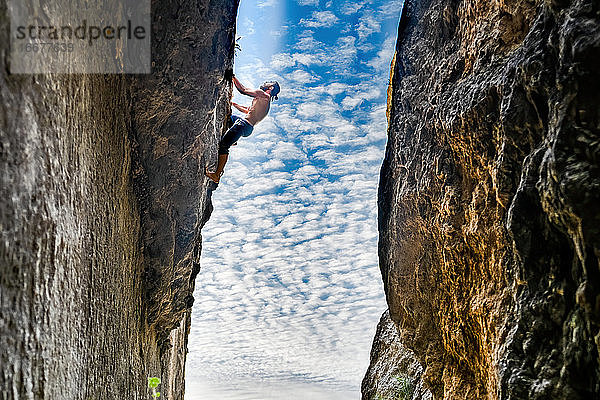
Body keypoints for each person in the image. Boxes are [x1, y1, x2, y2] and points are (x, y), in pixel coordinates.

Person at [205, 73, 280, 184]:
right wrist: (233, 104)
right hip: (247, 128)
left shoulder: (263, 95)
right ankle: (233, 140)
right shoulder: (265, 102)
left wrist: (233, 77)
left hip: (243, 124)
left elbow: (243, 90)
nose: (265, 83)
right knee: (230, 118)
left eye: (268, 83)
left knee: (223, 146)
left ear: (271, 87)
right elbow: (247, 110)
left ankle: (217, 175)